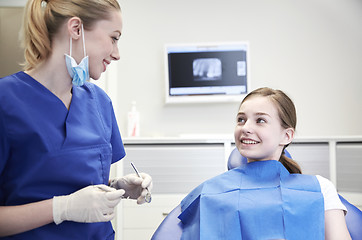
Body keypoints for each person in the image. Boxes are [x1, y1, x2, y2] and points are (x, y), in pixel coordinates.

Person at [0, 0, 152, 239]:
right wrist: (62, 209)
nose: (117, 53)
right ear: (76, 29)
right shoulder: (5, 100)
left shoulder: (100, 103)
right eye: (114, 38)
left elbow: (78, 184)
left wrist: (117, 188)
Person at [179, 87, 351, 240]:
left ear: (287, 136)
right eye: (241, 119)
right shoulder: (210, 192)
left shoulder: (319, 189)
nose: (246, 127)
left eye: (260, 120)